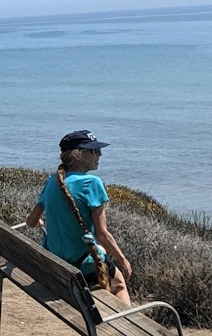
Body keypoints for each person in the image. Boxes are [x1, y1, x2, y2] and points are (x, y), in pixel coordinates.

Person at [24, 130, 134, 306]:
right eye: (94, 151)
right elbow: (102, 235)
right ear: (78, 155)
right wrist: (123, 261)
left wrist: (39, 222)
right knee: (119, 284)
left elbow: (30, 222)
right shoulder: (92, 183)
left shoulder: (52, 181)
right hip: (82, 266)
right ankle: (129, 327)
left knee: (102, 253)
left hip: (55, 263)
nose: (100, 155)